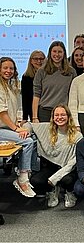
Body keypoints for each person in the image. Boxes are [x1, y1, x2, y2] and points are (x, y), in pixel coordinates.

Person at [30, 104, 82, 208]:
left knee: (66, 180)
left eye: (63, 115)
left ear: (68, 117)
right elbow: (29, 125)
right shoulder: (46, 128)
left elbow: (74, 162)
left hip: (69, 168)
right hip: (51, 166)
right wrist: (25, 130)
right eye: (56, 115)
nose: (59, 117)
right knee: (35, 181)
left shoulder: (77, 135)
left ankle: (69, 192)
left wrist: (55, 178)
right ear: (53, 117)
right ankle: (52, 190)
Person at [0, 57, 36, 197]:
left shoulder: (11, 85)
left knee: (33, 137)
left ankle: (26, 173)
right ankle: (22, 178)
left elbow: (16, 109)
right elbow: (2, 114)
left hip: (8, 127)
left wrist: (20, 123)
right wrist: (16, 129)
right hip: (2, 128)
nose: (8, 71)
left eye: (11, 68)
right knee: (27, 141)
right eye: (5, 68)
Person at [32, 41, 77, 122]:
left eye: (60, 52)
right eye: (54, 51)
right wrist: (35, 117)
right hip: (45, 112)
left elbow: (74, 95)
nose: (57, 54)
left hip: (64, 113)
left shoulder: (71, 72)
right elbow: (36, 95)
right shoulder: (41, 71)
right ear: (50, 53)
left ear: (64, 53)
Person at [21, 50, 46, 123]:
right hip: (32, 110)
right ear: (31, 61)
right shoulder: (26, 77)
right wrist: (25, 117)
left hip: (45, 109)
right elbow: (25, 98)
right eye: (35, 59)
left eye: (41, 59)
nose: (39, 61)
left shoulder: (49, 76)